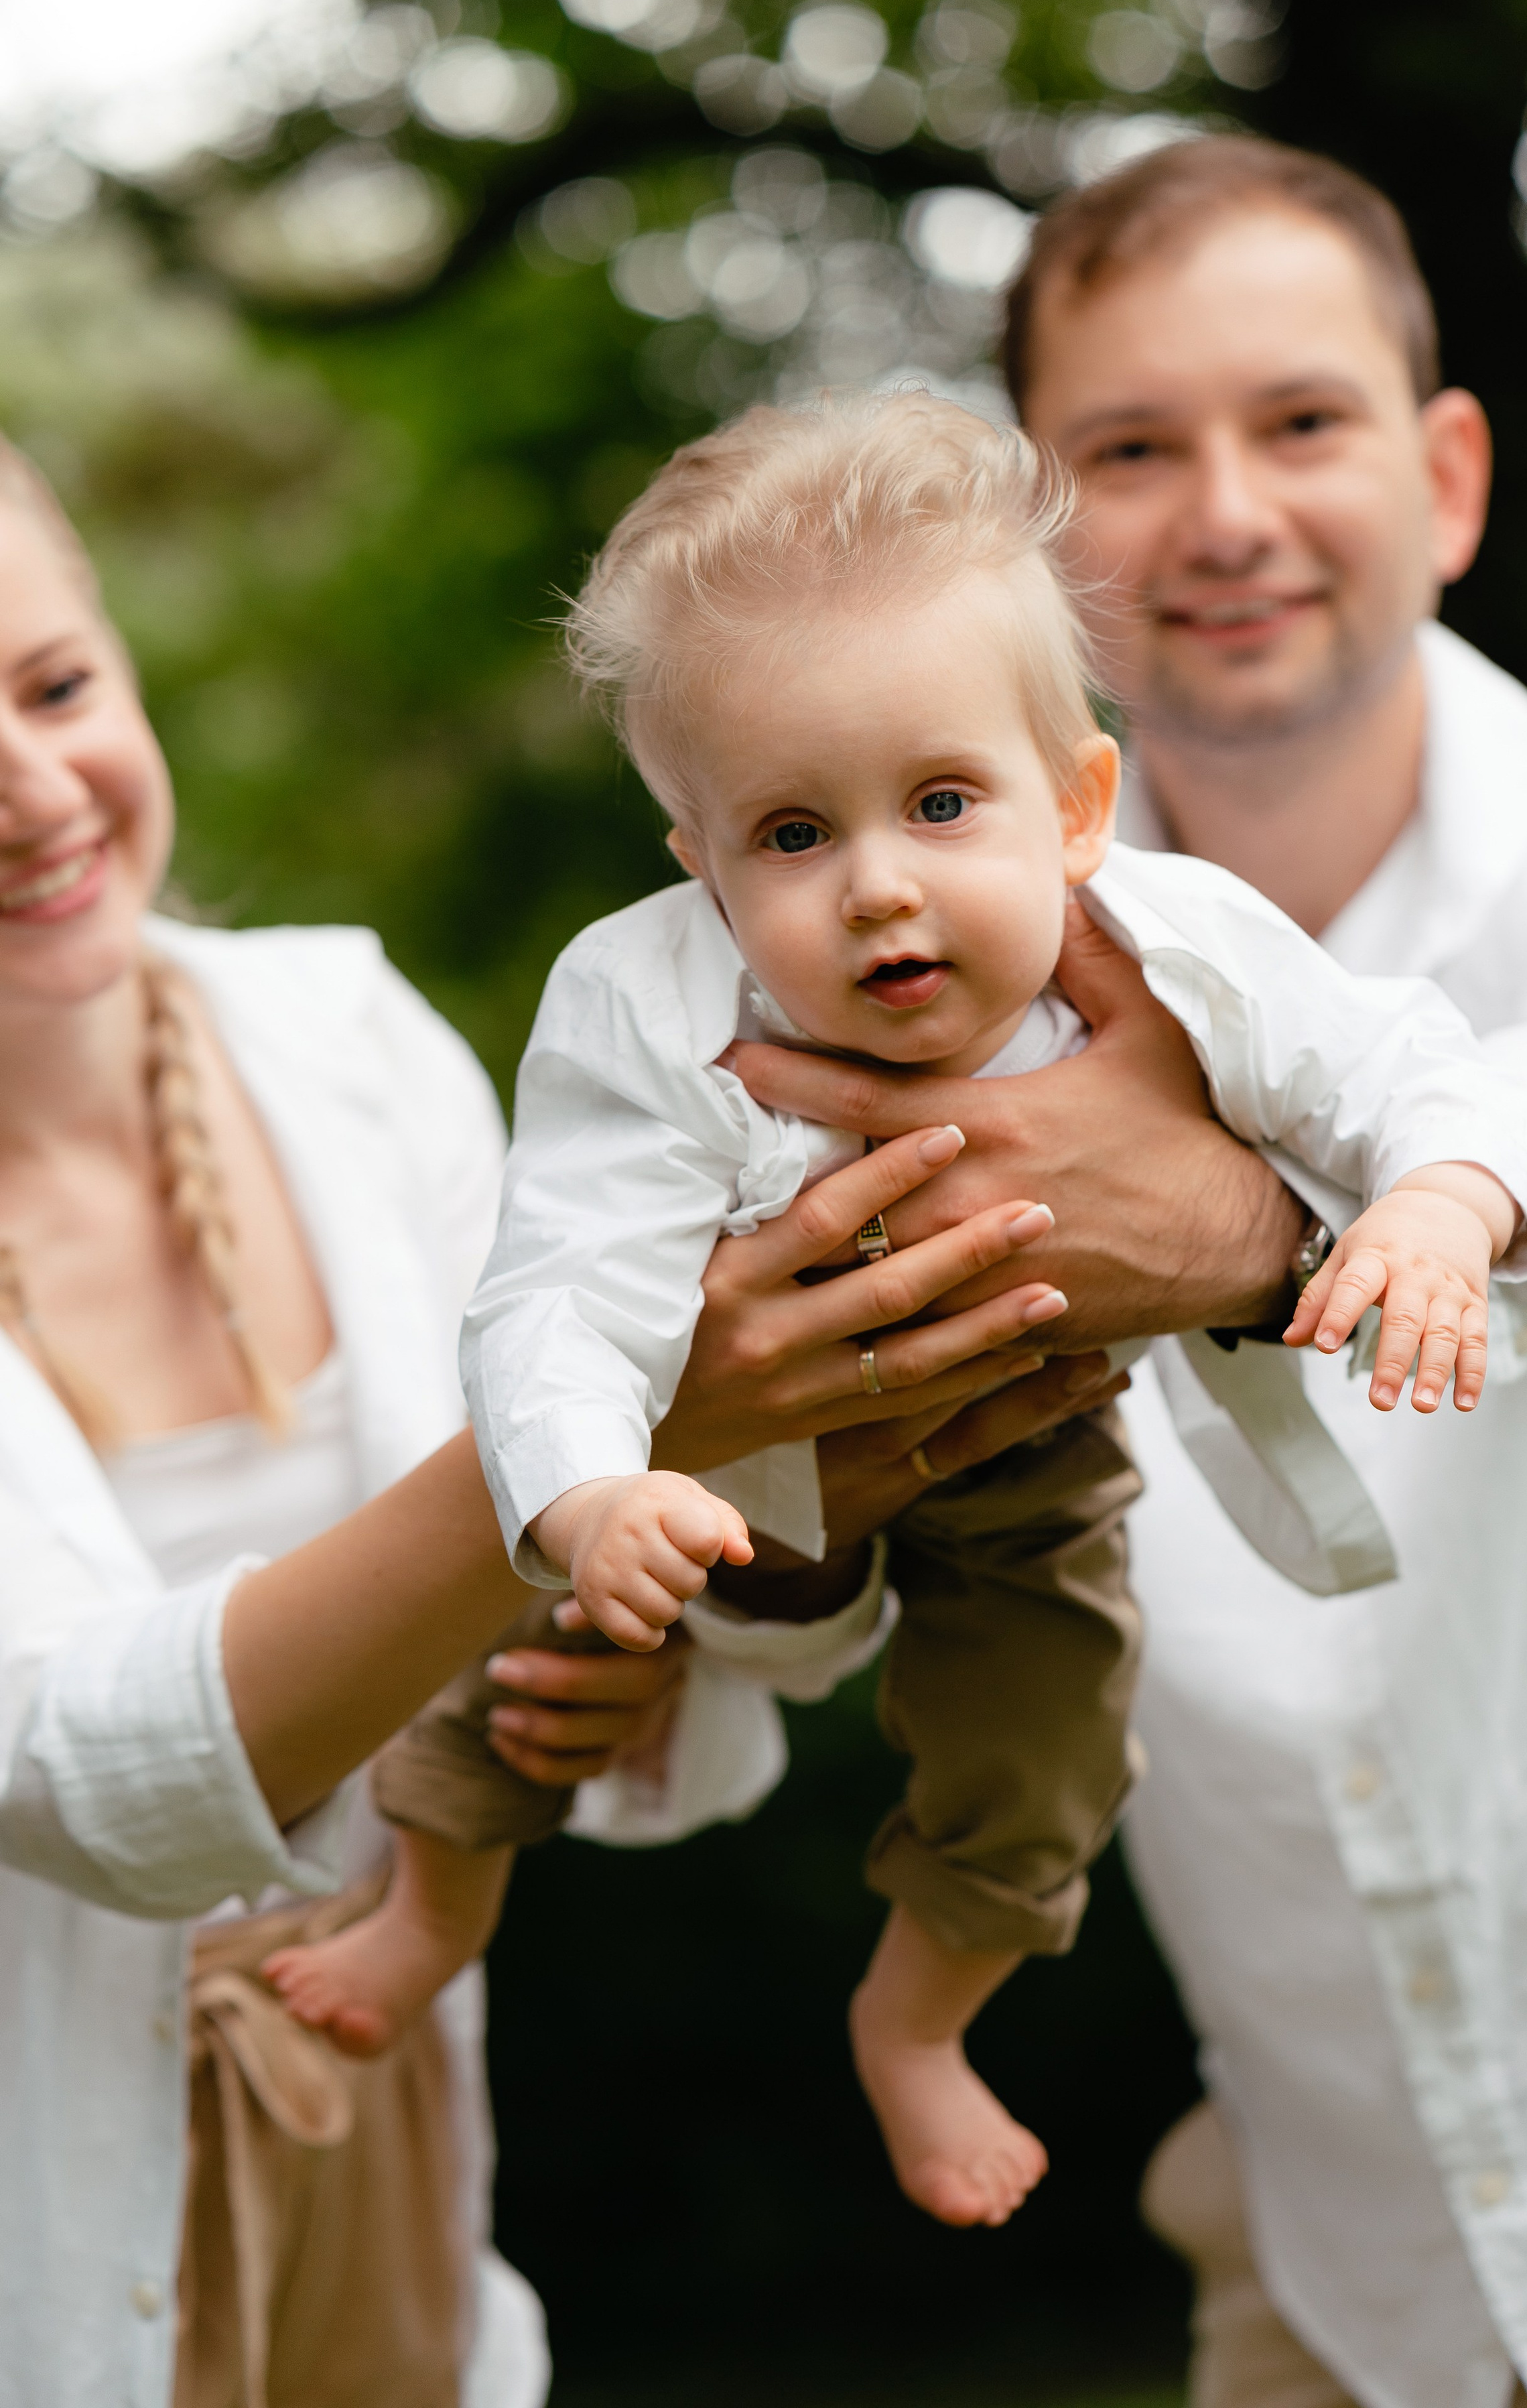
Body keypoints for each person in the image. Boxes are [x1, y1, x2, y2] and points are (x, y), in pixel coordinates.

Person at [267, 388, 1527, 2238]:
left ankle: (921, 2018)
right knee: (526, 1666)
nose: (879, 885)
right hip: (713, 1465)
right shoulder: (644, 1008)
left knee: (1053, 1735)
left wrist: (1434, 1203)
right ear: (694, 857)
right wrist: (588, 1495)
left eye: (944, 803)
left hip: (1017, 1447)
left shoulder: (1176, 945)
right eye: (790, 834)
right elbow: (557, 1282)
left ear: (1078, 799)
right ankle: (428, 1917)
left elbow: (1417, 1070)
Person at [716, 138, 1527, 2406]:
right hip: (1335, 2251)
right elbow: (799, 1597)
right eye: (1133, 454)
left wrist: (1264, 1244)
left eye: (1302, 423)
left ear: (1448, 477)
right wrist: (749, 1507)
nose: (1227, 512)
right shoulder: (882, 966)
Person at [0, 431, 1063, 2408]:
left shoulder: (341, 1041)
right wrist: (584, 1474)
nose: (35, 785)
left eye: (56, 684)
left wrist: (632, 1675)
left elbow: (720, 1653)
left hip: (395, 2146)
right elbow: (72, 1781)